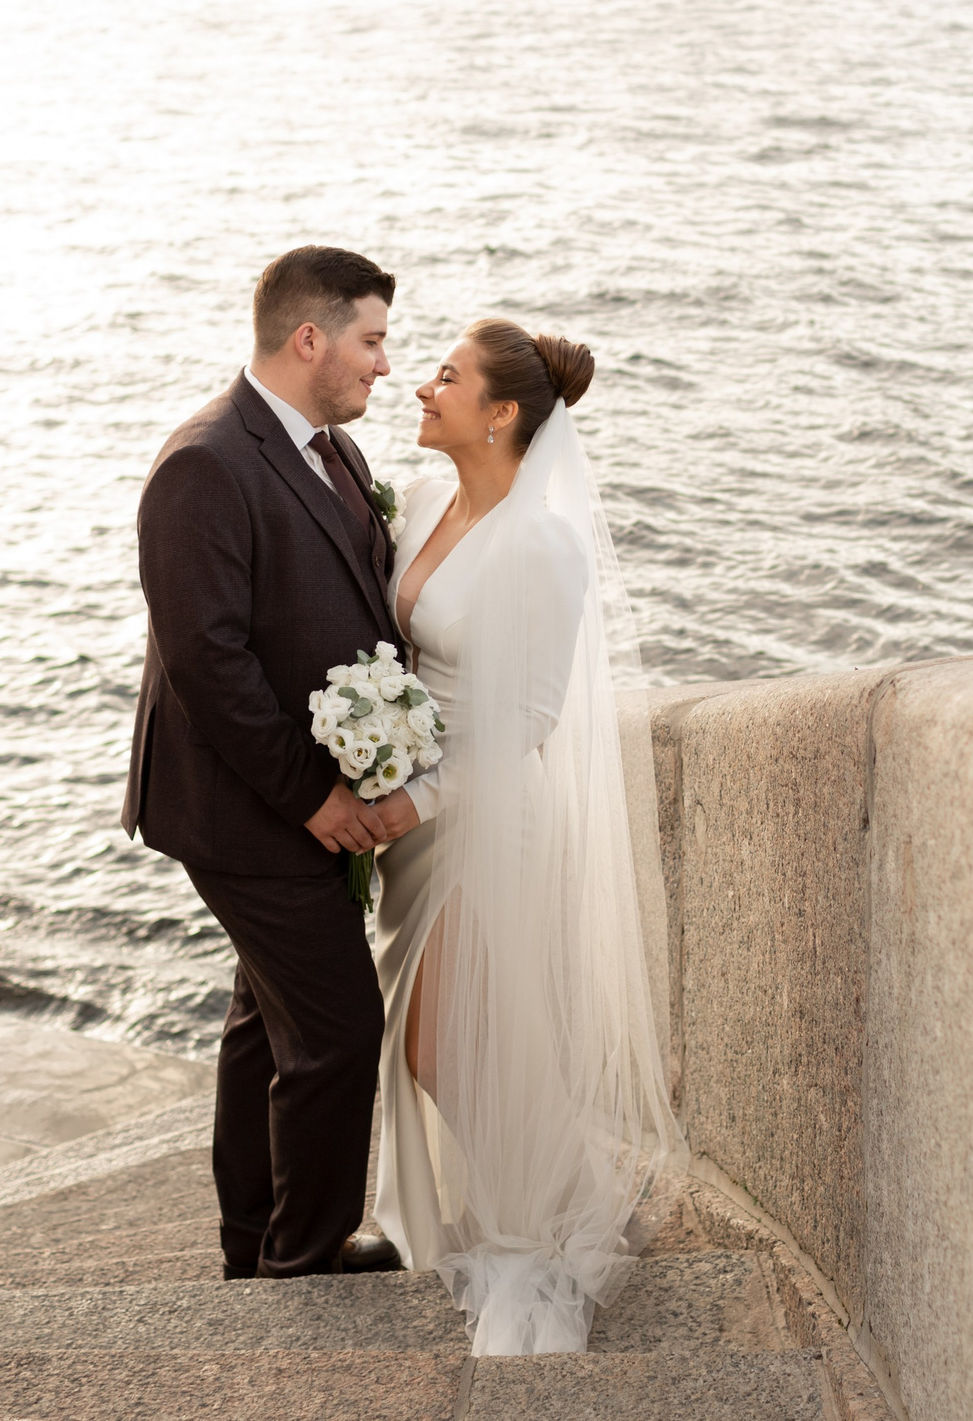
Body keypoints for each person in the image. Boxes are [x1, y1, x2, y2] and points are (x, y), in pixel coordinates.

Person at [360, 319, 684, 1354]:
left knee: (439, 1043)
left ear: (501, 413)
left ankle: (554, 1216)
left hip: (487, 814)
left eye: (445, 376)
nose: (422, 387)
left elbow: (531, 719)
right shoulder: (422, 503)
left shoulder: (542, 545)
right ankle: (562, 1191)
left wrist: (417, 801)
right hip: (411, 817)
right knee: (454, 1039)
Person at [122, 245, 408, 1280]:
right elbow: (208, 663)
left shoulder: (335, 451)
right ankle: (305, 1259)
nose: (385, 363)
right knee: (339, 1028)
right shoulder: (205, 463)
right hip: (246, 809)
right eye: (371, 340)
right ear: (310, 338)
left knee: (266, 1024)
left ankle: (253, 1248)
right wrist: (315, 796)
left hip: (299, 798)